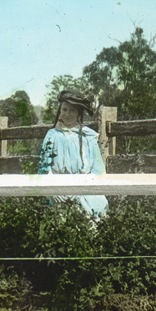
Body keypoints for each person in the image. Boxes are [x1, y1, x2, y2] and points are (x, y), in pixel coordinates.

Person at [37, 90, 108, 218]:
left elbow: (98, 171)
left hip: (85, 191)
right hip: (57, 192)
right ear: (59, 111)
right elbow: (43, 169)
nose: (67, 114)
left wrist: (79, 189)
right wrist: (53, 191)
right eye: (64, 109)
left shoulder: (88, 136)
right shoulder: (52, 136)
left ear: (78, 113)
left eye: (72, 111)